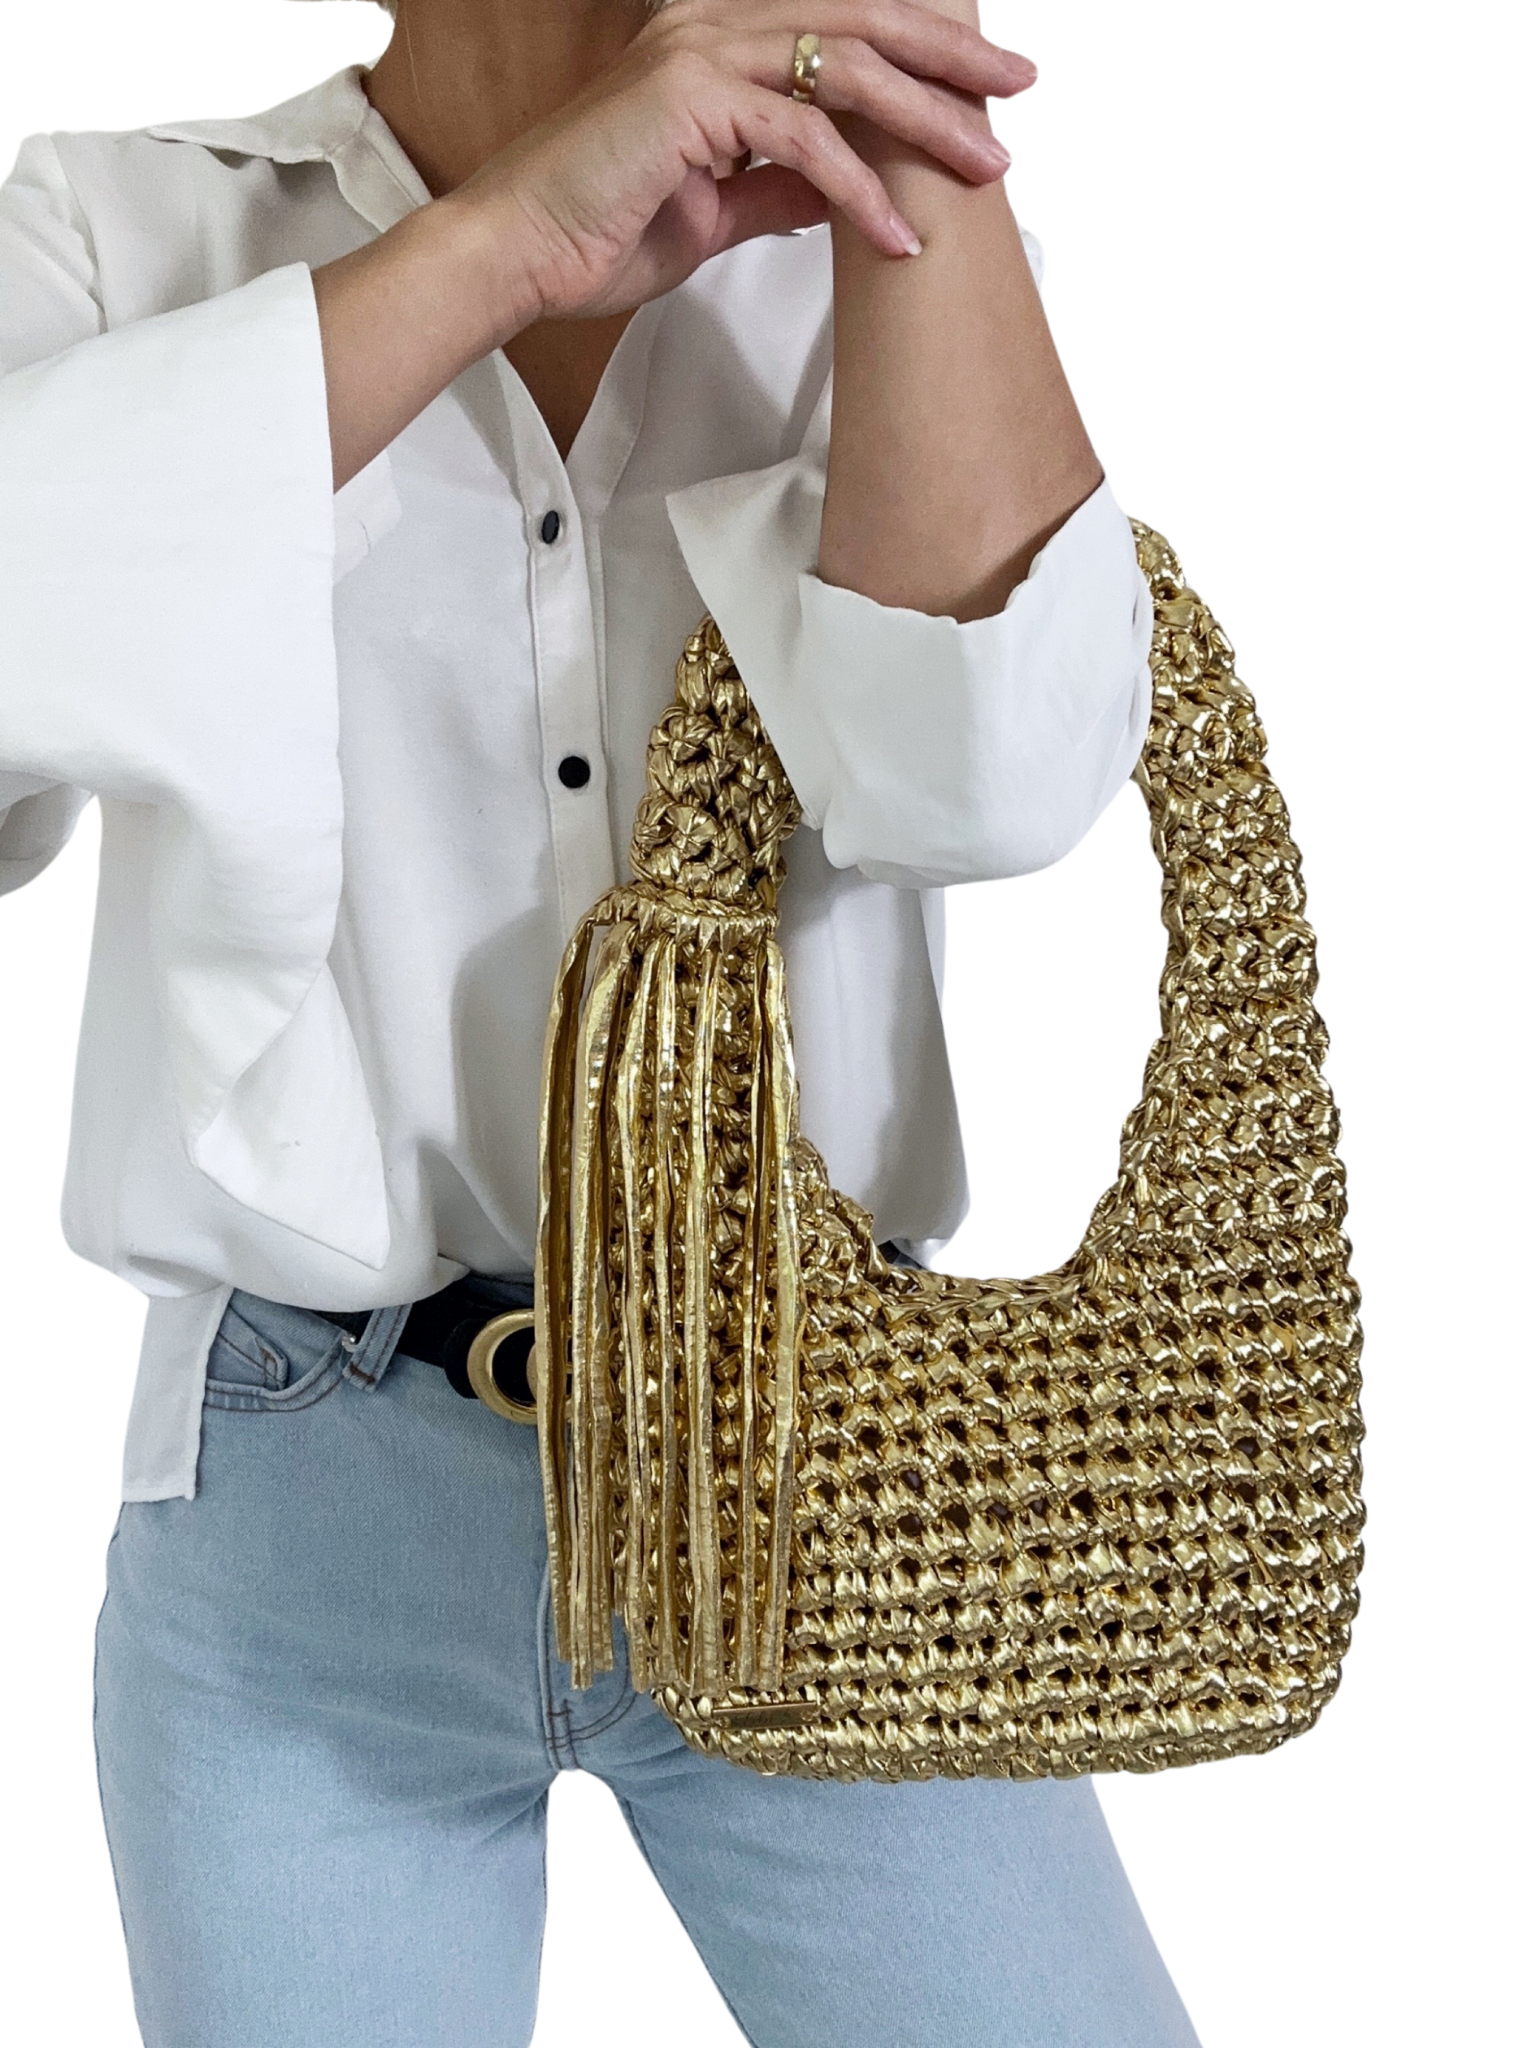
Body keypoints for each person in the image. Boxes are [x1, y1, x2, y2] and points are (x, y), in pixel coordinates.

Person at [0, 0, 1198, 2041]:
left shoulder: (873, 263)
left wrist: (913, 115)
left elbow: (989, 792)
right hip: (310, 1510)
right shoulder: (123, 230)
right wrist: (498, 251)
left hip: (827, 1471)